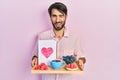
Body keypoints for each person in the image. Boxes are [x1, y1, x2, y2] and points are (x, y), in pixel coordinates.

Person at [32, 2, 86, 80]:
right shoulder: (42, 36)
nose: (57, 20)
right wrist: (35, 59)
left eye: (61, 16)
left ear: (66, 17)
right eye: (54, 16)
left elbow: (81, 57)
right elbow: (35, 55)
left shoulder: (75, 37)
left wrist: (81, 61)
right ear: (50, 17)